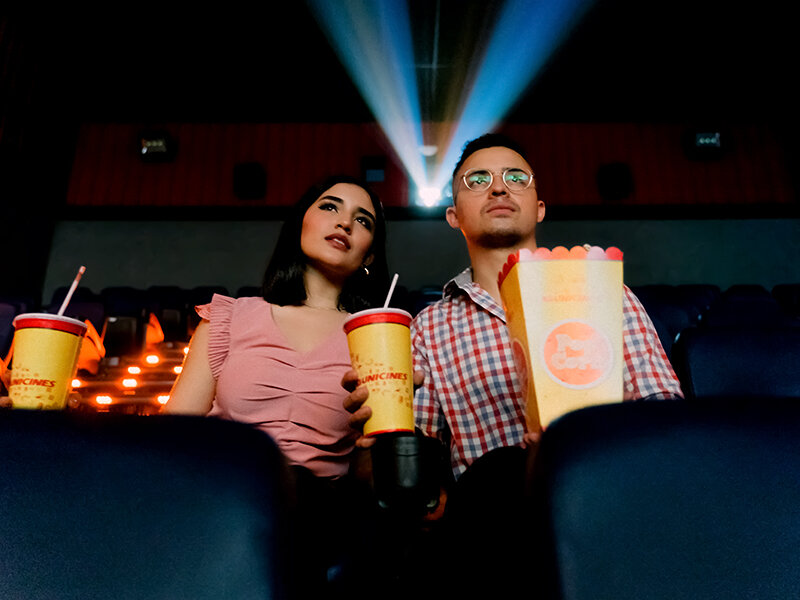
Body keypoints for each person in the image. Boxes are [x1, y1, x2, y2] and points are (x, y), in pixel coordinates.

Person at [343, 132, 684, 594]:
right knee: (502, 470)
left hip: (609, 493)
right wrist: (379, 438)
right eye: (478, 180)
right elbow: (418, 468)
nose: (499, 187)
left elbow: (666, 416)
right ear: (453, 215)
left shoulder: (607, 293)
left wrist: (581, 440)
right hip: (492, 524)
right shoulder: (428, 327)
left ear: (539, 207)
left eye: (516, 178)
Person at [165, 174, 391, 596]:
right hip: (224, 497)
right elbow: (174, 437)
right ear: (300, 224)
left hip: (322, 516)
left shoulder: (375, 339)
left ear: (370, 254)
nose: (344, 223)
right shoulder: (231, 317)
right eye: (330, 207)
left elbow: (371, 477)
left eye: (363, 221)